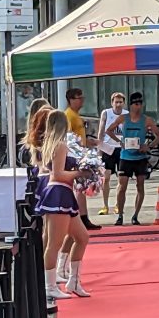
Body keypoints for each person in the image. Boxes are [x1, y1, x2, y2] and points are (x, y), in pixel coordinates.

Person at [35, 109, 92, 298]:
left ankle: (73, 282)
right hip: (59, 193)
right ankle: (50, 286)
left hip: (62, 193)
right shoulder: (59, 145)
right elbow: (58, 174)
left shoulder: (53, 145)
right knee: (54, 243)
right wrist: (79, 173)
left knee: (82, 237)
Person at [107, 92, 159, 226]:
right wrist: (119, 142)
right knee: (122, 187)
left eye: (140, 104)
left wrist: (148, 146)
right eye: (135, 104)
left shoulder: (147, 120)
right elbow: (108, 130)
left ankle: (135, 215)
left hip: (140, 157)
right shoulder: (123, 118)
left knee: (140, 186)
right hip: (125, 156)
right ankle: (120, 215)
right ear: (131, 105)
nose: (138, 107)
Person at [63, 88, 101, 231]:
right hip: (75, 156)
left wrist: (89, 142)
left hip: (81, 153)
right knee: (79, 188)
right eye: (79, 98)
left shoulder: (76, 115)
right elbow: (69, 138)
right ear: (71, 100)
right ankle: (81, 218)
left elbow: (79, 136)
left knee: (82, 188)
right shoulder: (69, 115)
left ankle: (83, 217)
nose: (82, 100)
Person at [97, 92, 126, 214]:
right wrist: (99, 151)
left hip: (121, 149)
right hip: (108, 149)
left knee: (122, 179)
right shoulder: (106, 113)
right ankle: (105, 205)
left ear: (123, 103)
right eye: (116, 102)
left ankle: (118, 205)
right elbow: (101, 131)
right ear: (112, 103)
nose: (118, 104)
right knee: (106, 178)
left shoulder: (127, 115)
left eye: (120, 102)